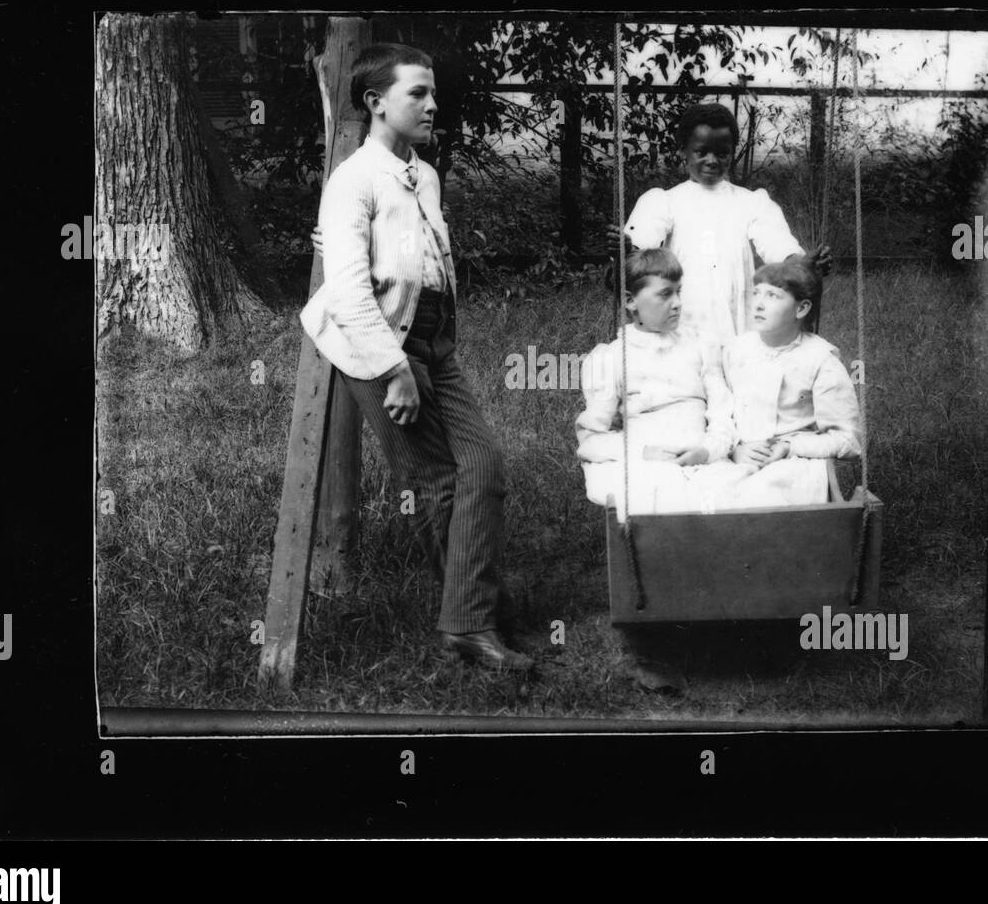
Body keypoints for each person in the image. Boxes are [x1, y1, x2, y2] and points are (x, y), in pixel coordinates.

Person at [300, 42, 532, 671]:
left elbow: (420, 253)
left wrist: (427, 350)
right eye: (418, 94)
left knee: (483, 462)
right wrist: (394, 370)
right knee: (436, 480)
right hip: (376, 344)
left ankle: (473, 603)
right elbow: (347, 290)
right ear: (376, 103)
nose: (434, 104)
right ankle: (470, 623)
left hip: (433, 340)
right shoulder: (351, 181)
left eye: (432, 92)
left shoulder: (423, 174)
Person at [575, 248, 742, 693]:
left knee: (731, 502)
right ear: (631, 302)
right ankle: (655, 641)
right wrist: (640, 452)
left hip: (700, 453)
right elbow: (590, 435)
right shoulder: (615, 356)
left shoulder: (701, 347)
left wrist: (710, 449)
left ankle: (717, 627)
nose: (676, 304)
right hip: (646, 455)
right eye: (665, 294)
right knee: (654, 504)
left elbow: (724, 414)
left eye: (679, 293)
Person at [608, 102, 830, 347]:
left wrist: (802, 263)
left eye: (722, 153)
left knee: (735, 370)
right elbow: (640, 253)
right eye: (701, 152)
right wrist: (627, 248)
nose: (711, 160)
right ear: (684, 150)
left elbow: (777, 243)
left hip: (735, 318)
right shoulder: (665, 201)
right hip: (682, 316)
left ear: (732, 152)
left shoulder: (751, 202)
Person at [723, 257, 862, 507]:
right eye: (756, 293)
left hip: (793, 462)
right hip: (740, 453)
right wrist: (735, 448)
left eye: (773, 296)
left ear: (801, 309)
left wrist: (789, 446)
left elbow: (849, 440)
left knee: (763, 495)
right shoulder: (736, 350)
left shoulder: (821, 360)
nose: (759, 305)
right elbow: (722, 411)